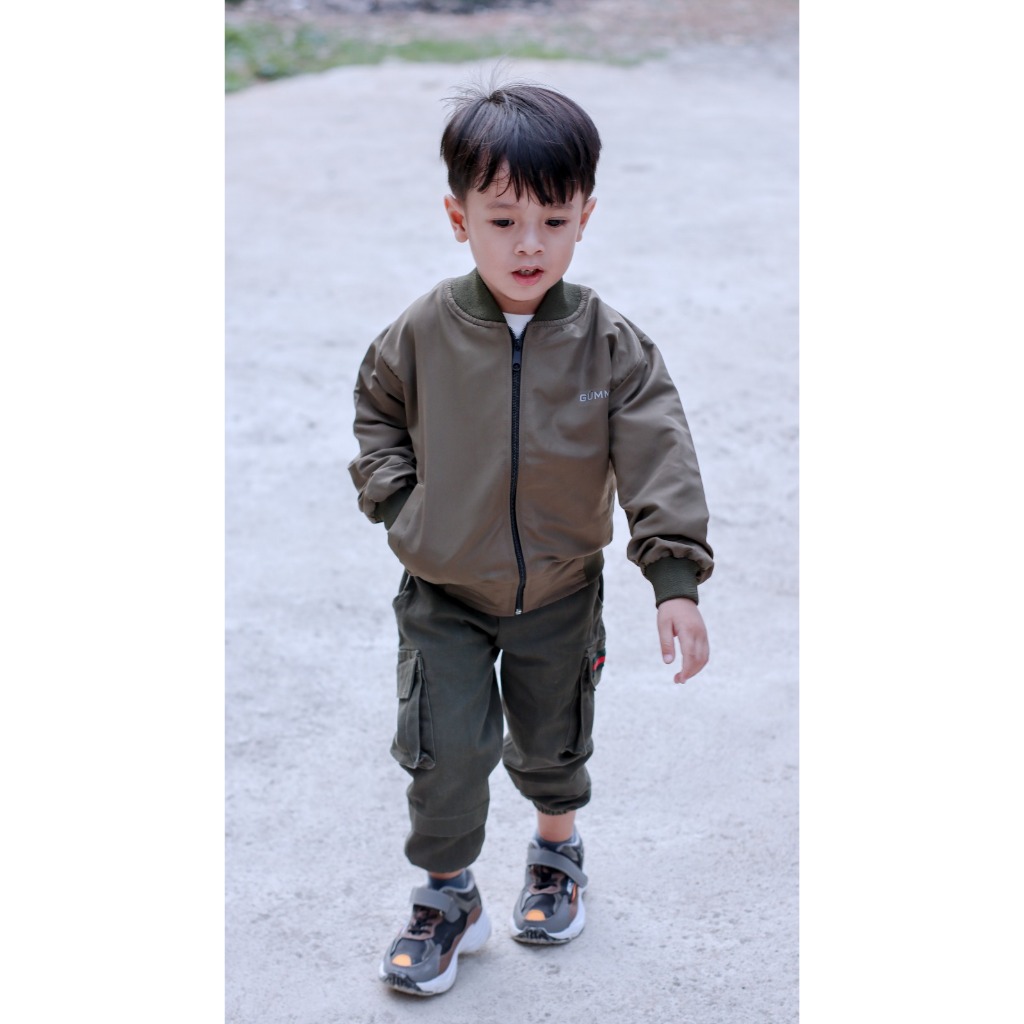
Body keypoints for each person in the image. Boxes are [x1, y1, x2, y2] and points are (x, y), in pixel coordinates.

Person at [348, 78, 714, 997]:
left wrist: (673, 579)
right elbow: (377, 413)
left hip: (558, 591)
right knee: (443, 752)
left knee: (554, 742)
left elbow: (659, 455)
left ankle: (556, 857)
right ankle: (447, 897)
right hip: (445, 592)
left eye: (553, 221)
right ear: (458, 217)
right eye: (503, 220)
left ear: (585, 216)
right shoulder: (424, 331)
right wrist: (401, 508)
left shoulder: (609, 345)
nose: (529, 245)